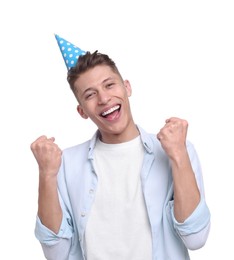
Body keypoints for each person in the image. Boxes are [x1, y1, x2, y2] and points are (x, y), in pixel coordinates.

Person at [31, 35, 211, 260]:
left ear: (127, 87)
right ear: (82, 111)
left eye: (109, 85)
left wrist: (178, 156)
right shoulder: (65, 164)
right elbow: (56, 254)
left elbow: (196, 239)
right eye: (90, 94)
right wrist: (46, 174)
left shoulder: (176, 149)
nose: (104, 98)